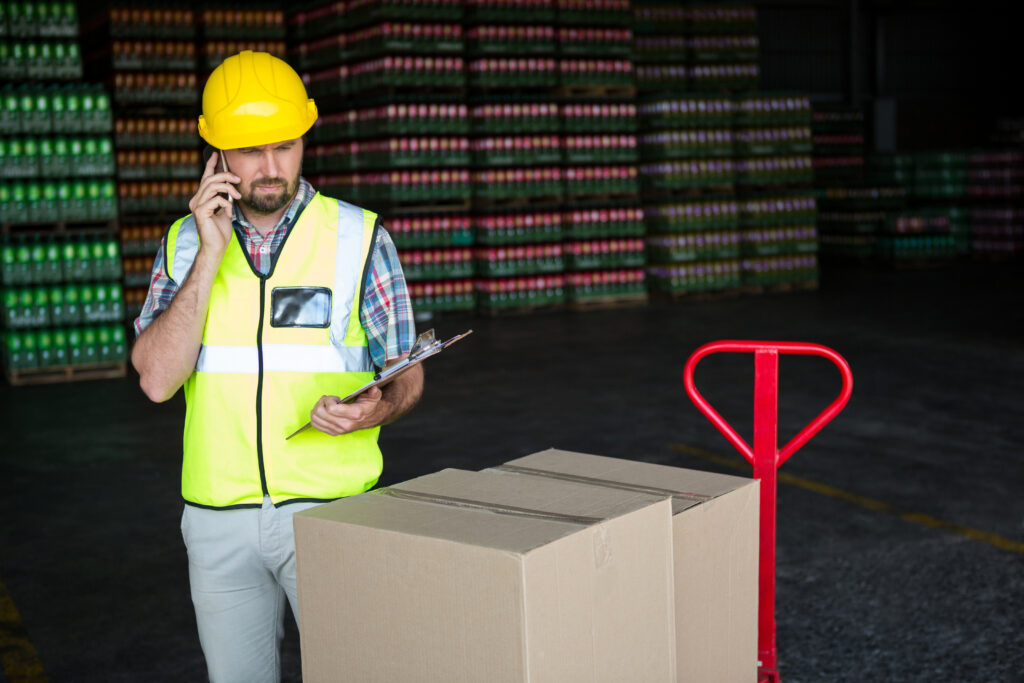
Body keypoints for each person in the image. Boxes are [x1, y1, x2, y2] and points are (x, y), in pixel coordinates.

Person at [130, 50, 423, 683]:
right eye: (249, 150)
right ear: (217, 157)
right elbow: (156, 379)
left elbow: (407, 371)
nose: (269, 168)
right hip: (217, 523)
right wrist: (208, 254)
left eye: (285, 147)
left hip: (332, 513)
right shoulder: (183, 246)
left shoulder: (358, 237)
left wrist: (380, 406)